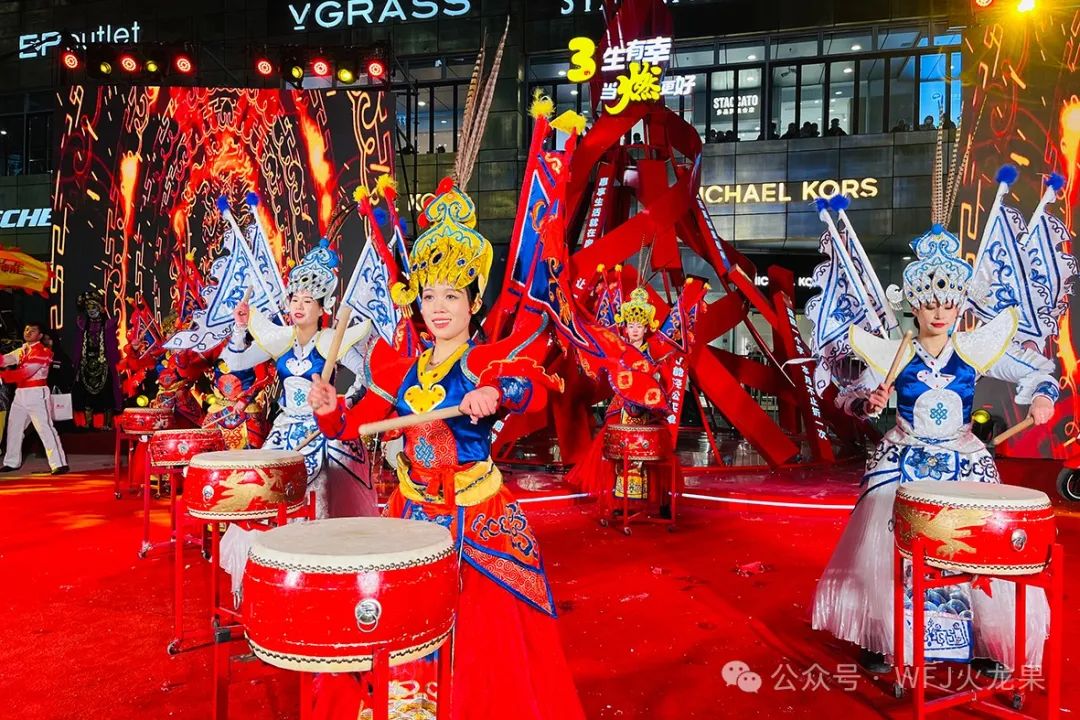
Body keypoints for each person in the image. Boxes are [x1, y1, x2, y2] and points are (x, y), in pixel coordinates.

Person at [309, 182, 585, 720]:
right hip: (412, 510)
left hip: (476, 514)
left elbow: (529, 386)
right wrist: (328, 407)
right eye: (430, 295)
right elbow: (353, 426)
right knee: (402, 623)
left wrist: (495, 394)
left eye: (452, 296)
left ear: (474, 303)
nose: (438, 308)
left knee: (485, 638)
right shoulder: (402, 369)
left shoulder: (483, 361)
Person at [811, 227, 1058, 675]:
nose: (940, 312)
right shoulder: (895, 352)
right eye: (930, 303)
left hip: (963, 457)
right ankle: (887, 634)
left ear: (959, 305)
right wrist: (869, 403)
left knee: (980, 543)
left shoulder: (973, 349)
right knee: (886, 538)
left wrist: (1042, 396)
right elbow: (851, 398)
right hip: (903, 456)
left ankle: (982, 639)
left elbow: (1039, 369)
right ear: (914, 305)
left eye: (948, 303)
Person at [220, 239, 374, 519]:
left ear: (323, 308)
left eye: (308, 301)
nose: (299, 306)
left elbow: (366, 374)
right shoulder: (281, 339)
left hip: (321, 430)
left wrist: (348, 401)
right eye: (294, 299)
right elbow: (236, 362)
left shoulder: (330, 341)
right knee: (264, 487)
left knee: (319, 498)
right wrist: (240, 328)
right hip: (285, 427)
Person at [0, 323, 68, 474]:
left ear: (40, 335)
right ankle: (11, 462)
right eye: (26, 329)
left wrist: (3, 375)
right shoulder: (23, 349)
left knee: (44, 428)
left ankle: (59, 463)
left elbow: (25, 373)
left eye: (33, 330)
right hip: (20, 394)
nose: (28, 332)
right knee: (14, 427)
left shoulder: (43, 352)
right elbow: (6, 359)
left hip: (37, 394)